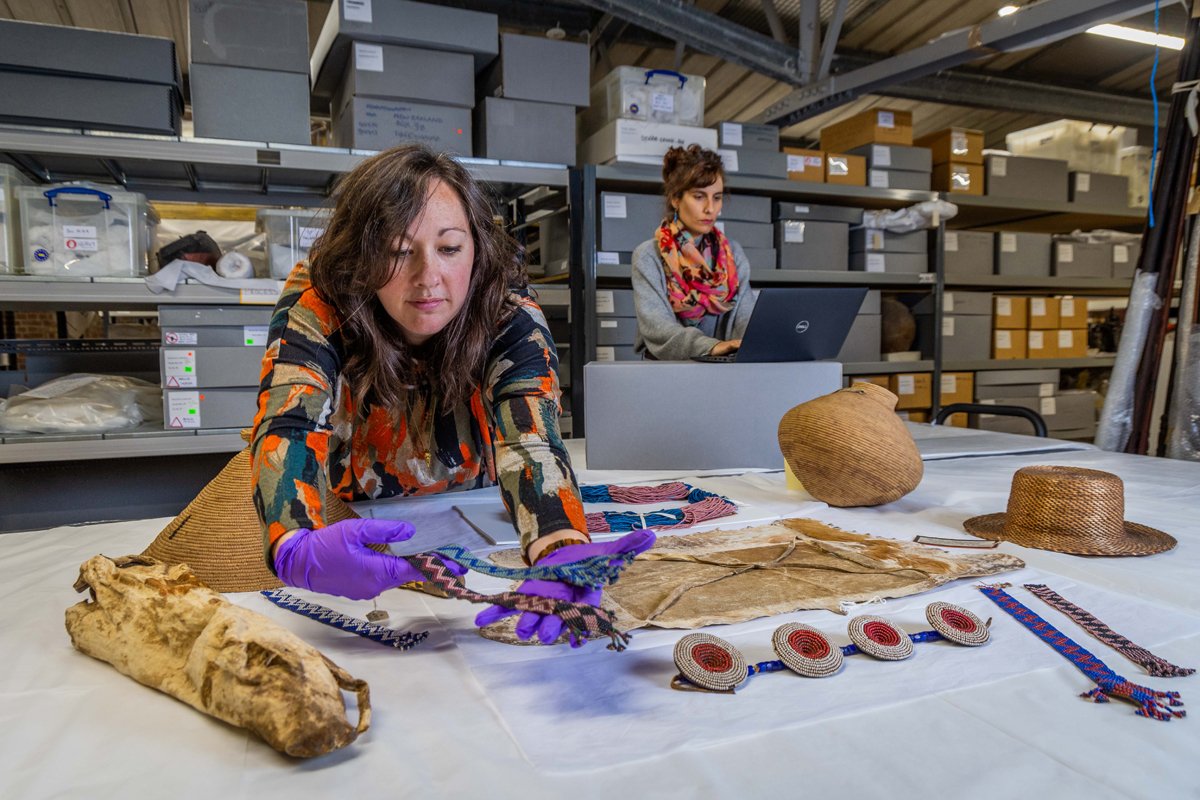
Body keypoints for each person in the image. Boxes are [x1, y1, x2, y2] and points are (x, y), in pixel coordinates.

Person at [251, 144, 653, 645]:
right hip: (350, 518)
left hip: (478, 507)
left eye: (449, 248)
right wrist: (293, 540)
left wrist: (558, 544)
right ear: (361, 254)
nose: (428, 278)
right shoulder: (321, 296)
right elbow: (290, 416)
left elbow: (530, 435)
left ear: (477, 248)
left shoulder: (507, 308)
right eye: (398, 251)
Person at [632, 144, 756, 360]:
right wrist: (713, 346)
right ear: (676, 199)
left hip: (724, 368)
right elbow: (659, 329)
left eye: (717, 197)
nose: (710, 208)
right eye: (699, 196)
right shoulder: (649, 256)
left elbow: (745, 317)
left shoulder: (733, 254)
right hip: (666, 371)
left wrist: (757, 341)